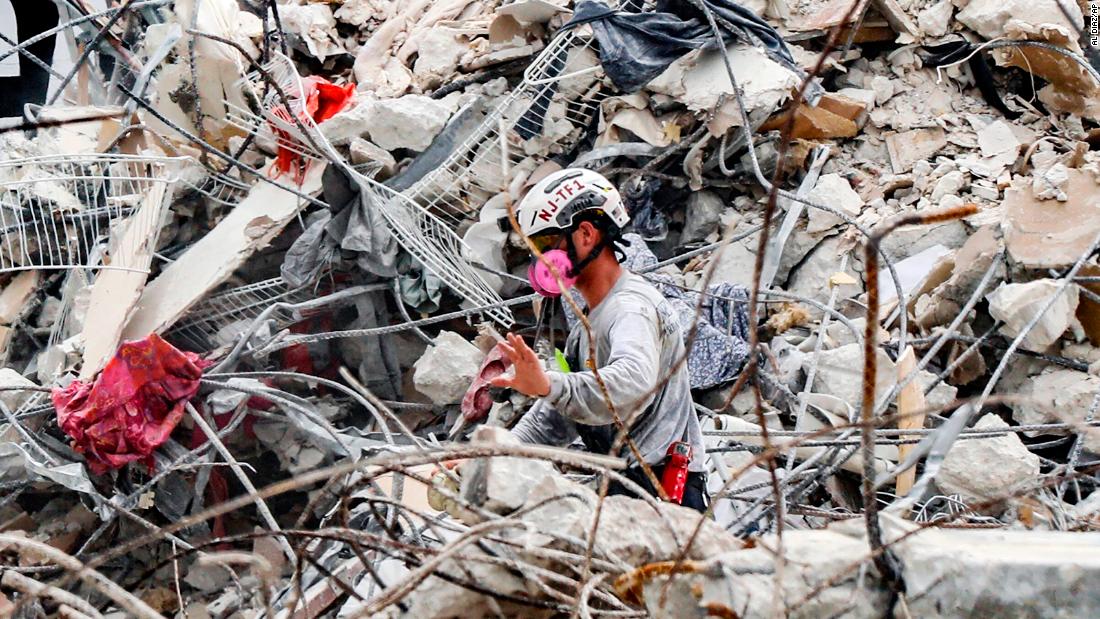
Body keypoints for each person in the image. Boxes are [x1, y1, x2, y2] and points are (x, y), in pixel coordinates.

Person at [490, 168, 709, 512]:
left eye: (546, 244)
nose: (539, 261)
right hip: (628, 487)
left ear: (586, 234)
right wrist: (490, 459)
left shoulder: (630, 309)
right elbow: (556, 419)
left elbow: (633, 380)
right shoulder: (589, 321)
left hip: (664, 494)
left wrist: (549, 385)